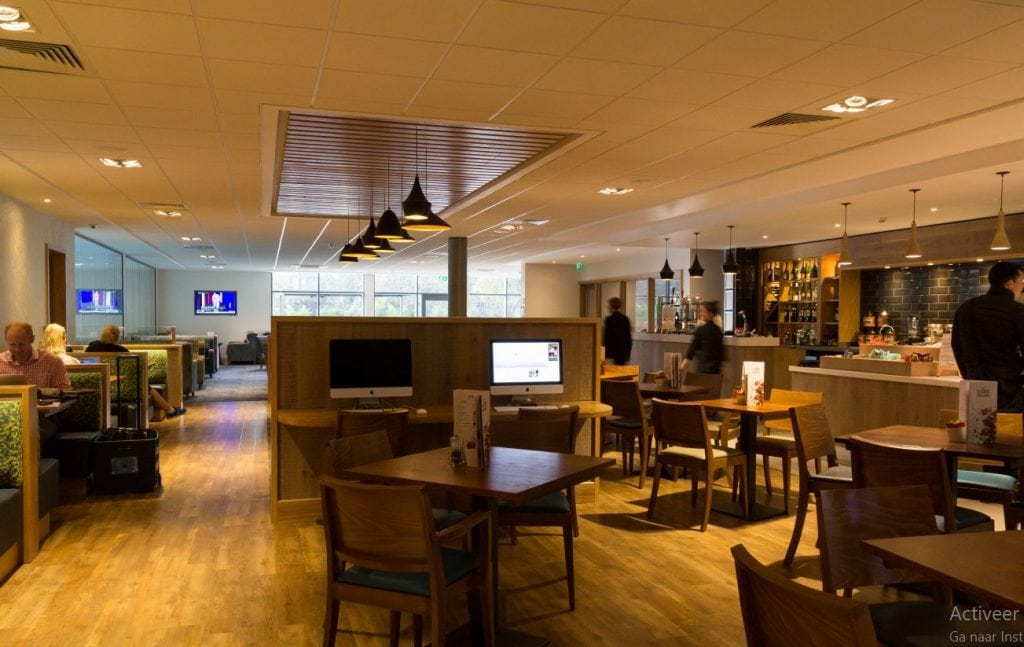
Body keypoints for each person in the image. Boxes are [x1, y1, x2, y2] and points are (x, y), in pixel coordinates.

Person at [952, 261, 1024, 411]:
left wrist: (969, 373)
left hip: (975, 384)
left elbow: (956, 345)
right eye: (1021, 281)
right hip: (1008, 387)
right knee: (1007, 425)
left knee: (977, 424)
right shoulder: (1017, 311)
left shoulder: (966, 308)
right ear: (1010, 283)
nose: (1022, 287)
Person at [87, 325, 186, 418]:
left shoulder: (91, 347)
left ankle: (170, 409)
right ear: (117, 337)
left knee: (146, 387)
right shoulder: (121, 350)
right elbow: (134, 366)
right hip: (125, 388)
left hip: (96, 384)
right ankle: (170, 410)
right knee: (146, 387)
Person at [0, 321, 71, 389]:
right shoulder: (1, 361)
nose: (17, 349)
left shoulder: (52, 361)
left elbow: (64, 391)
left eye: (21, 344)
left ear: (32, 339)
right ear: (6, 340)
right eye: (12, 345)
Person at [681, 301, 724, 375]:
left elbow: (693, 347)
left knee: (701, 382)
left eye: (704, 311)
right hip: (716, 370)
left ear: (710, 313)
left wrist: (685, 362)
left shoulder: (701, 329)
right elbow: (721, 352)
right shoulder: (718, 330)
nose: (702, 314)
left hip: (703, 368)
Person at [603, 297, 633, 366]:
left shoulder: (609, 320)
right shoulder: (625, 319)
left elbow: (607, 338)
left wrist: (605, 355)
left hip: (611, 354)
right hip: (623, 354)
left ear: (611, 306)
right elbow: (628, 339)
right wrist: (627, 354)